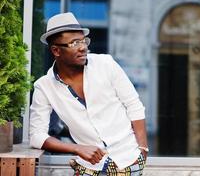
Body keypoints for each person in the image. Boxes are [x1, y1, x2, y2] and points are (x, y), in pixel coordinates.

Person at [30, 12, 148, 176]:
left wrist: (142, 149)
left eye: (83, 41)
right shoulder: (44, 87)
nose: (83, 47)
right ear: (56, 50)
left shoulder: (106, 64)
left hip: (129, 160)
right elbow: (37, 136)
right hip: (90, 167)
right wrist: (77, 148)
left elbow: (134, 105)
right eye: (74, 43)